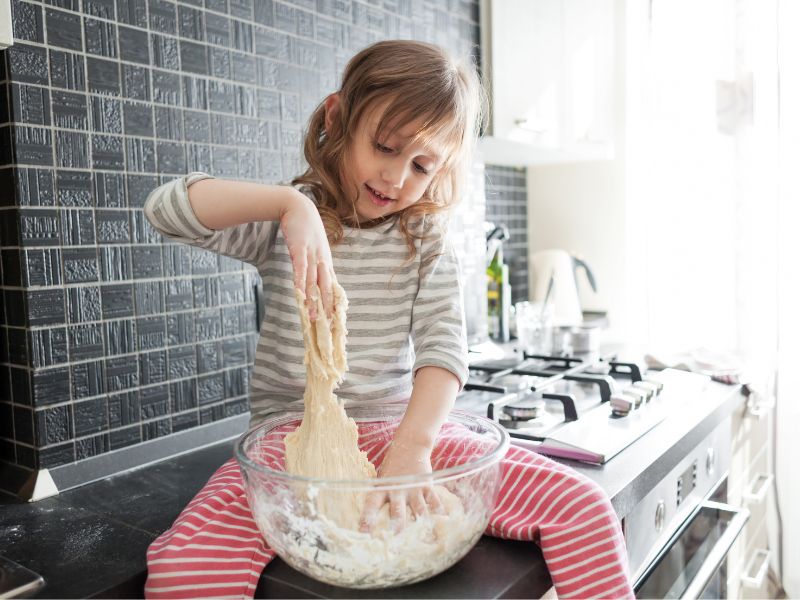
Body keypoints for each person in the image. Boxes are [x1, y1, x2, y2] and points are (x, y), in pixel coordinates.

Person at [143, 40, 634, 599]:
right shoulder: (282, 223)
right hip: (288, 452)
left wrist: (413, 448)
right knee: (185, 571)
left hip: (402, 435)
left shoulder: (423, 240)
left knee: (584, 507)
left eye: (422, 165)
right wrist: (290, 205)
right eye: (385, 146)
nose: (398, 177)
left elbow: (444, 349)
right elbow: (166, 209)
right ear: (337, 118)